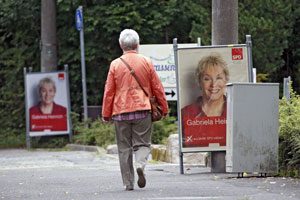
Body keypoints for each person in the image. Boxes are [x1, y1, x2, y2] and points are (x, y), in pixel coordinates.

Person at [102, 29, 168, 191]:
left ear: (120, 45)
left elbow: (109, 91)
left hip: (120, 112)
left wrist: (106, 113)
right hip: (142, 109)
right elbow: (157, 87)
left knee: (124, 148)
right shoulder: (146, 62)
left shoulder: (115, 64)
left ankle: (128, 183)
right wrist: (164, 108)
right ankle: (140, 164)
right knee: (143, 143)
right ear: (137, 45)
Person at [181, 53, 229, 147]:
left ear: (226, 80)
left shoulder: (236, 111)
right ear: (199, 82)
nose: (214, 84)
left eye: (219, 78)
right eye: (207, 79)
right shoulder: (186, 113)